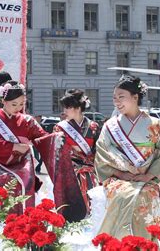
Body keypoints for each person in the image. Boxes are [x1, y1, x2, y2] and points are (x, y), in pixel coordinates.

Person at [95, 75, 160, 239]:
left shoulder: (155, 124)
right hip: (118, 178)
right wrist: (123, 175)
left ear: (135, 97)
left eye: (121, 97)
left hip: (147, 179)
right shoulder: (110, 126)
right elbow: (102, 154)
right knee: (122, 194)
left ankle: (144, 243)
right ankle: (119, 243)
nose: (117, 102)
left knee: (146, 195)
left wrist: (148, 176)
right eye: (114, 98)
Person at [0, 81, 50, 213]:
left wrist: (56, 138)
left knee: (25, 182)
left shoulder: (27, 121)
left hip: (22, 165)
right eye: (14, 104)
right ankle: (1, 222)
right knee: (6, 181)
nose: (18, 107)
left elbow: (43, 137)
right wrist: (14, 147)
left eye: (22, 104)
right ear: (3, 101)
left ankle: (25, 220)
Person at [53, 89, 100, 222]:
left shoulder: (93, 127)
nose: (65, 111)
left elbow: (98, 150)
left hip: (91, 172)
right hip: (70, 172)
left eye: (68, 107)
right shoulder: (60, 128)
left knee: (94, 204)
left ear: (78, 108)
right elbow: (58, 152)